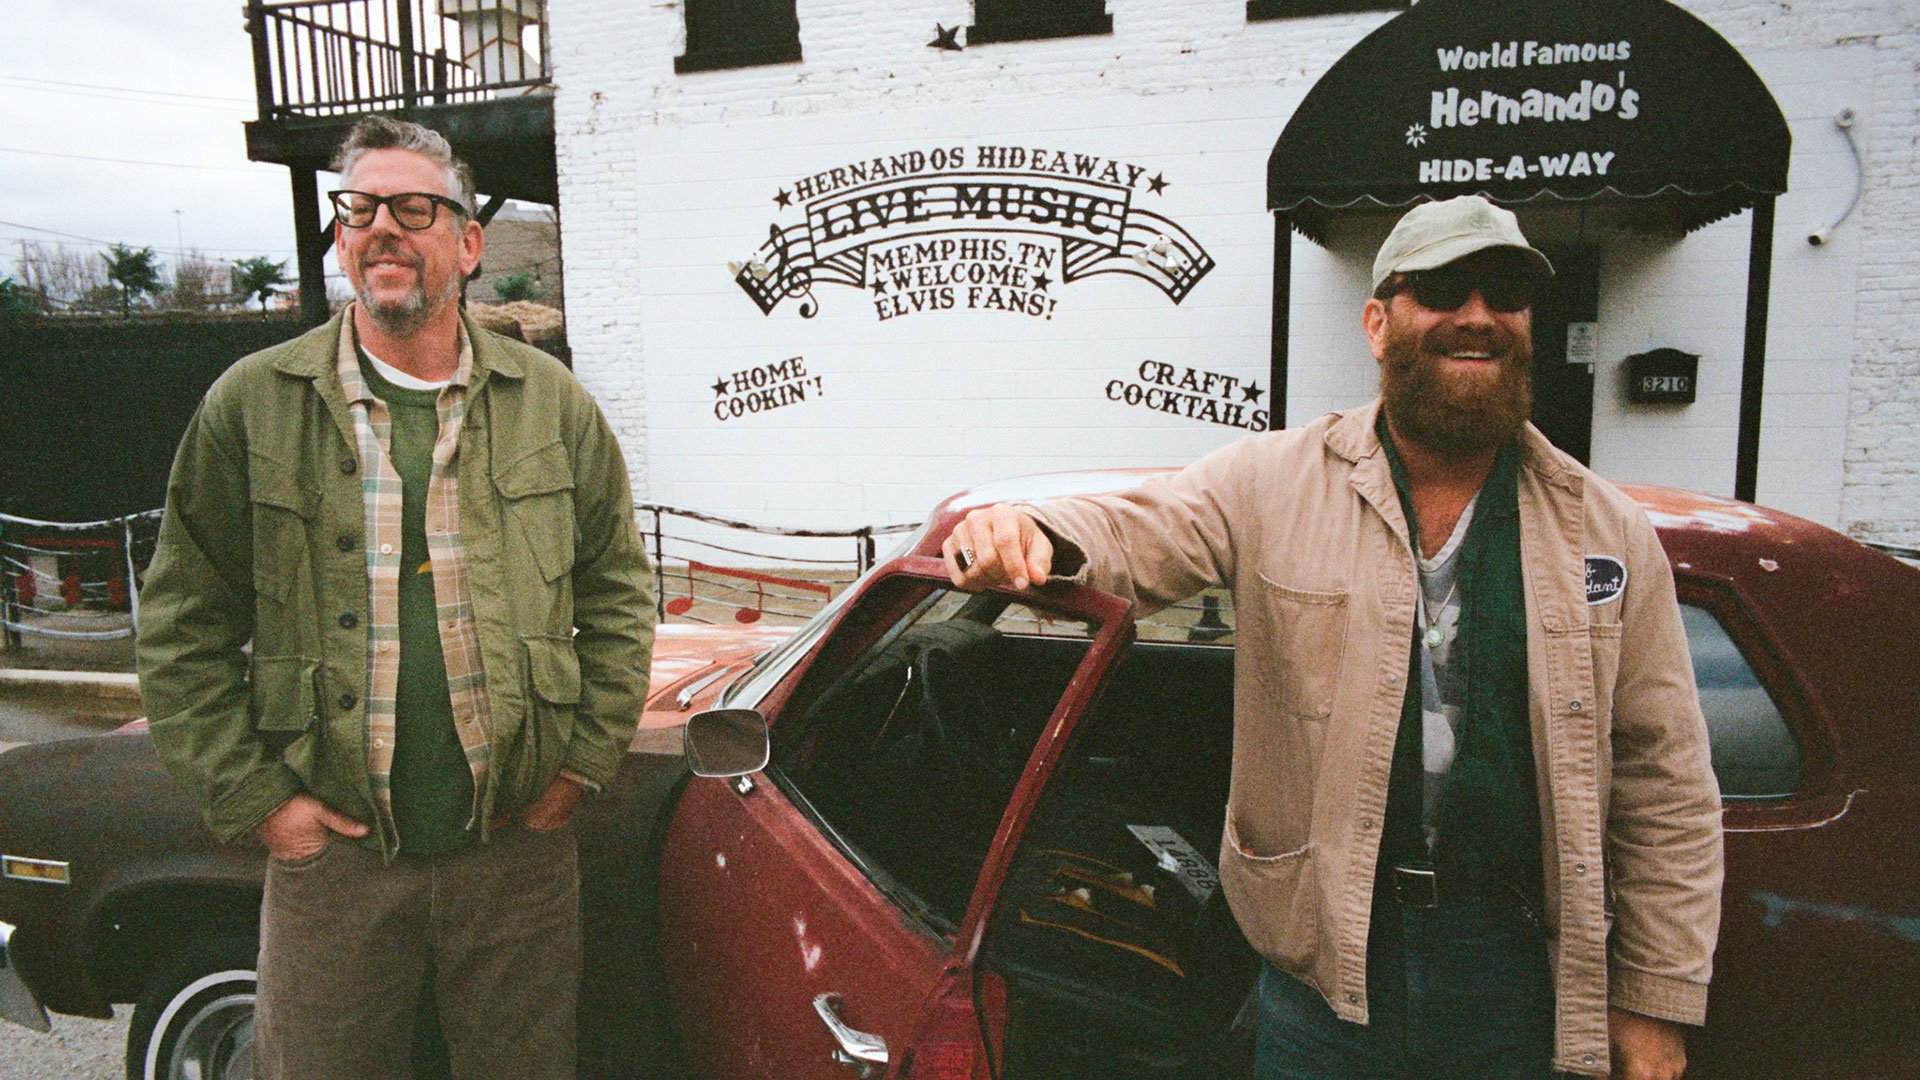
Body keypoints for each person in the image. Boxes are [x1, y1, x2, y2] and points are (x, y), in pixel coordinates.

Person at [944, 195, 1722, 1080]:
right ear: (1378, 323)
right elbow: (1134, 527)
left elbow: (1666, 780)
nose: (1476, 315)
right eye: (1439, 289)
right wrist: (1029, 529)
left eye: (1504, 291)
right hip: (1325, 973)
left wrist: (1652, 998)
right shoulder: (1274, 481)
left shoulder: (1607, 531)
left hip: (1516, 973)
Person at [137, 116, 654, 1080]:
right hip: (331, 864)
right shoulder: (252, 405)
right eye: (360, 207)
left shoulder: (555, 403)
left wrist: (577, 769)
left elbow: (620, 595)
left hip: (515, 855)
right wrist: (263, 805)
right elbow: (179, 629)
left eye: (414, 207)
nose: (383, 227)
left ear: (467, 243)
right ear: (340, 237)